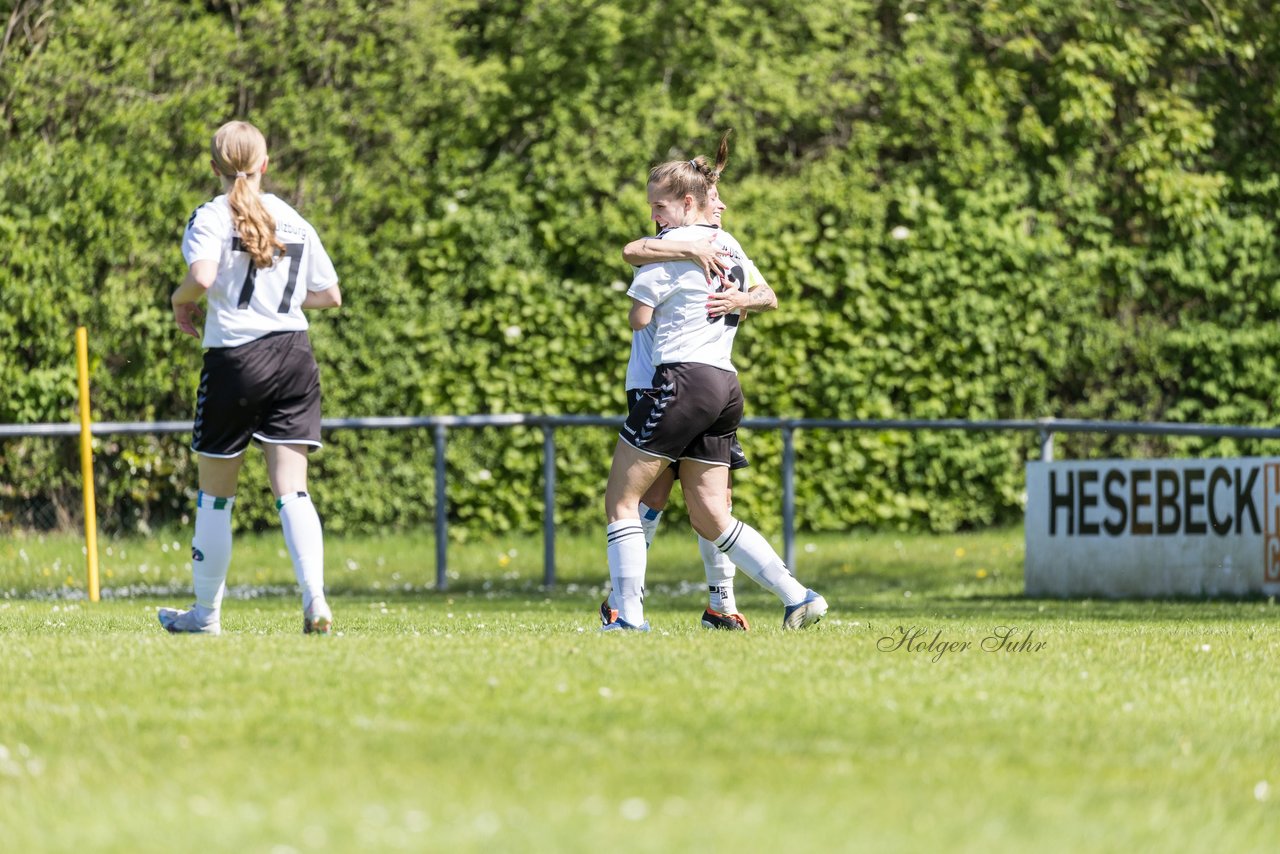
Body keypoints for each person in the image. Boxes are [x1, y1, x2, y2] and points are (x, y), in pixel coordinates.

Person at [601, 144, 827, 632]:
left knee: (626, 498)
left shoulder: (678, 247)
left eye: (659, 204)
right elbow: (634, 249)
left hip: (677, 380)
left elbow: (639, 318)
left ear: (686, 204)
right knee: (709, 513)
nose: (653, 214)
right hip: (723, 383)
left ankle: (628, 613)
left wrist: (726, 295)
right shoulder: (724, 246)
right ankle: (795, 596)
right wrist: (730, 291)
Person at [160, 120, 342, 636]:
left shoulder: (211, 216)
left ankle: (206, 616)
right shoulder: (294, 220)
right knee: (293, 490)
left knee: (216, 494)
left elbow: (202, 278)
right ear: (265, 164)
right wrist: (277, 300)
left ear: (214, 167)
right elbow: (330, 295)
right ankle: (317, 603)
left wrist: (180, 304)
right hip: (294, 355)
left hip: (237, 358)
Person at [604, 174, 754, 631]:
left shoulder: (724, 252)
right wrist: (688, 250)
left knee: (714, 497)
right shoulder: (669, 247)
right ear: (696, 203)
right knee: (650, 493)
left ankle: (721, 605)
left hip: (701, 384)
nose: (723, 206)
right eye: (717, 199)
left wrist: (743, 298)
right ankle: (623, 601)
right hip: (659, 381)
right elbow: (633, 256)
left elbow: (762, 298)